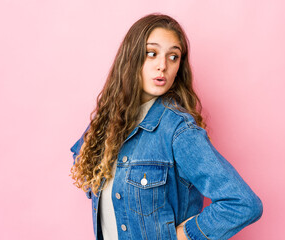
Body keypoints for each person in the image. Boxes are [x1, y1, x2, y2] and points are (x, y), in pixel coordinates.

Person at [70, 13, 263, 240]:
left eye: (173, 57)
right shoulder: (109, 121)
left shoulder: (179, 130)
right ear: (130, 58)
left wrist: (183, 235)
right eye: (151, 54)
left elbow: (243, 204)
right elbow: (83, 164)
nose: (162, 66)